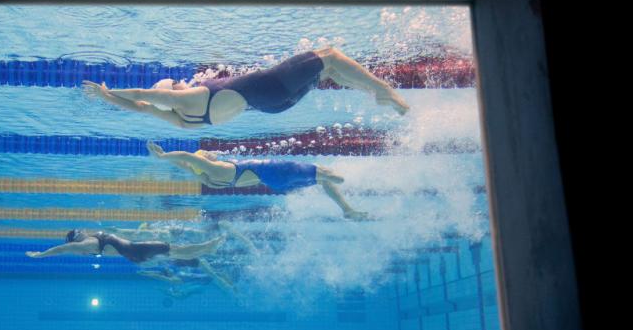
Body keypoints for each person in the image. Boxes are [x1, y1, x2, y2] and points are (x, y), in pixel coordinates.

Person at [82, 48, 409, 128]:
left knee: (329, 72)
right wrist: (110, 93)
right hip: (270, 87)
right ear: (174, 89)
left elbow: (140, 107)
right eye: (177, 83)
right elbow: (141, 96)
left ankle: (373, 93)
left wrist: (108, 97)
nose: (184, 82)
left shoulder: (184, 121)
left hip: (275, 105)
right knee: (330, 56)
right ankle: (382, 89)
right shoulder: (185, 96)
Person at [145, 140, 374, 221]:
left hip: (277, 183)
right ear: (203, 159)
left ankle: (347, 209)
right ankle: (360, 179)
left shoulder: (207, 175)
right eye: (205, 152)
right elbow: (186, 157)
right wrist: (162, 156)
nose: (208, 152)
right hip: (278, 171)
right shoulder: (214, 168)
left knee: (324, 179)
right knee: (331, 175)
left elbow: (186, 164)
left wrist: (165, 157)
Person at [25, 229, 225, 264]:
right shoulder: (88, 244)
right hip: (137, 251)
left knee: (175, 252)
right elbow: (61, 249)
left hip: (135, 253)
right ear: (77, 236)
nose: (84, 230)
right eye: (79, 231)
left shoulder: (93, 246)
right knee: (176, 249)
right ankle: (208, 246)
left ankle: (208, 249)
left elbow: (116, 248)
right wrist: (41, 254)